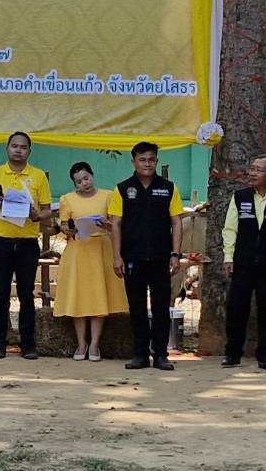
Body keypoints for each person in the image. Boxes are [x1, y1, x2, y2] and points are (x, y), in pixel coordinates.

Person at [0, 132, 53, 360]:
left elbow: (48, 211)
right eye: (14, 146)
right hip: (0, 242)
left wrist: (36, 214)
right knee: (0, 294)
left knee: (26, 295)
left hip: (28, 243)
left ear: (29, 151)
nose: (18, 150)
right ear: (7, 149)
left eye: (23, 147)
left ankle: (28, 344)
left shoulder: (38, 176)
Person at [108, 141, 183, 370]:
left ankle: (160, 354)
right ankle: (140, 354)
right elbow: (115, 225)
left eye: (151, 159)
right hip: (132, 258)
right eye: (142, 160)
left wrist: (176, 254)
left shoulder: (169, 188)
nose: (147, 164)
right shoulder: (122, 189)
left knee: (161, 307)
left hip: (160, 258)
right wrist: (117, 257)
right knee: (137, 308)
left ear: (156, 161)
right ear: (133, 162)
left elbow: (177, 222)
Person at [55, 162, 124, 361]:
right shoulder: (67, 199)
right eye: (79, 181)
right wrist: (67, 229)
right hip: (78, 249)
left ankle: (94, 344)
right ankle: (81, 343)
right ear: (74, 183)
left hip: (100, 248)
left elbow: (116, 225)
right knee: (79, 296)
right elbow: (64, 226)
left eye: (86, 178)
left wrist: (107, 225)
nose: (84, 183)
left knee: (97, 295)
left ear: (92, 176)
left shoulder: (109, 196)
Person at [221, 154, 266, 369]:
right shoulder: (240, 197)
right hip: (242, 262)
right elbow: (230, 229)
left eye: (259, 169)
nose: (252, 173)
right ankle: (232, 353)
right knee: (237, 308)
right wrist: (228, 257)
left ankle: (264, 354)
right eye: (252, 168)